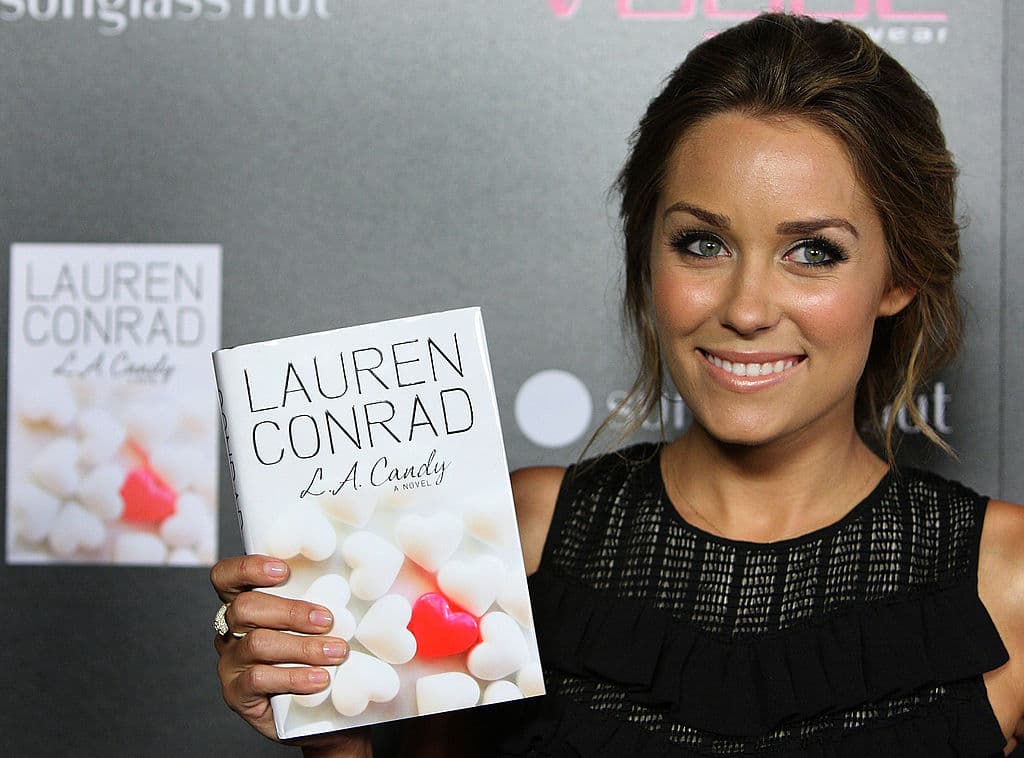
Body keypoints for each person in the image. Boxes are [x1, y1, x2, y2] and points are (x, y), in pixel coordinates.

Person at [211, 12, 1024, 757]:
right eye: (702, 244)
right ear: (646, 258)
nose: (746, 308)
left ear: (900, 275)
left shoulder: (1011, 578)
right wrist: (333, 728)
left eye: (813, 252)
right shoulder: (515, 539)